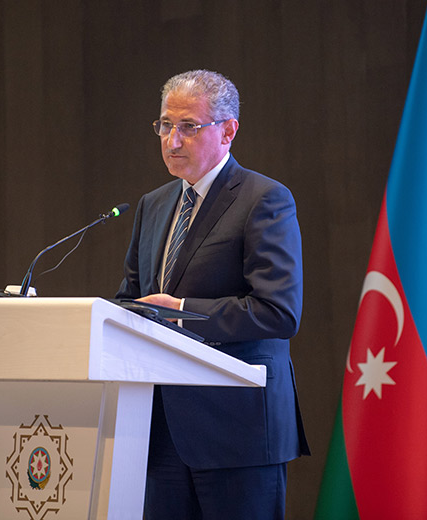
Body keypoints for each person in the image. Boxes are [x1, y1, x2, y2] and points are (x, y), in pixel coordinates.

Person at [116, 69, 308, 519]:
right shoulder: (153, 204)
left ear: (228, 131)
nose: (173, 140)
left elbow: (278, 311)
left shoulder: (264, 199)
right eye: (165, 125)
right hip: (162, 432)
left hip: (238, 430)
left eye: (188, 126)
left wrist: (181, 311)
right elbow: (131, 299)